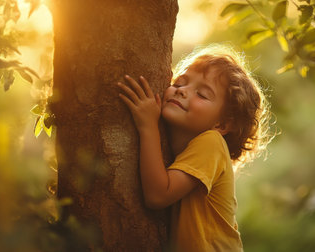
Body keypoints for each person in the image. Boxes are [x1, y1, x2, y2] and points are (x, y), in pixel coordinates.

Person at [117, 44, 274, 251]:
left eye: (202, 94)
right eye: (180, 83)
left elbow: (158, 195)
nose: (182, 91)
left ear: (222, 124)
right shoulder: (186, 150)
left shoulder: (212, 142)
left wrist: (148, 126)